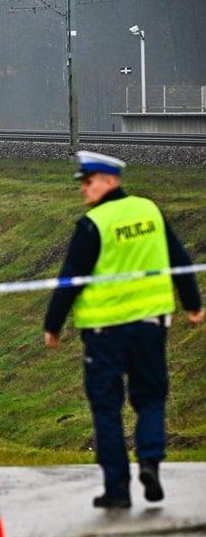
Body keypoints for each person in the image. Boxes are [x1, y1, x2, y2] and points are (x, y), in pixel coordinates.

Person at [44, 151, 202, 510]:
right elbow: (179, 259)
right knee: (151, 398)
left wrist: (53, 325)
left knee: (106, 408)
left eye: (88, 182)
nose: (83, 189)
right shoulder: (149, 210)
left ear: (110, 181)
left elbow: (70, 279)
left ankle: (116, 489)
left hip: (105, 334)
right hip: (150, 326)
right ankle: (150, 461)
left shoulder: (93, 224)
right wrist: (193, 303)